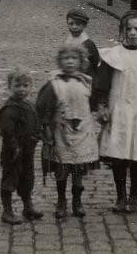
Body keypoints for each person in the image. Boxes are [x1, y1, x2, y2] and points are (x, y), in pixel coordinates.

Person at [92, 11, 137, 214]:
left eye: (136, 29)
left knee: (136, 157)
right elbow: (102, 86)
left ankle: (134, 196)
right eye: (128, 29)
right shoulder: (113, 56)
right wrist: (103, 107)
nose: (132, 33)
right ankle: (121, 195)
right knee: (119, 157)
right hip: (118, 114)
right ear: (122, 31)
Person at [36, 46, 99, 220]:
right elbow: (43, 107)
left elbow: (94, 102)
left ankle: (77, 200)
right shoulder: (54, 84)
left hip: (82, 133)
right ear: (60, 61)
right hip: (61, 132)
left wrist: (100, 110)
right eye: (65, 58)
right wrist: (46, 126)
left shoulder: (86, 82)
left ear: (81, 62)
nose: (70, 62)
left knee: (79, 169)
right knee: (62, 168)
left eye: (74, 58)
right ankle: (61, 200)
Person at [0, 69, 44, 225]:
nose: (22, 89)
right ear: (10, 86)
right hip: (13, 152)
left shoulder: (30, 105)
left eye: (25, 85)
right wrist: (14, 146)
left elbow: (36, 122)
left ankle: (27, 206)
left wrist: (39, 134)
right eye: (17, 85)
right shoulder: (9, 109)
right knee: (10, 178)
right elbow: (7, 131)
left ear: (31, 87)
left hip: (28, 150)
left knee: (27, 177)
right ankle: (7, 211)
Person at [64, 6, 100, 75]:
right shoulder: (68, 40)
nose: (74, 27)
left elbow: (96, 63)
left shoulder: (88, 44)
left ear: (84, 25)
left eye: (78, 24)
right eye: (71, 23)